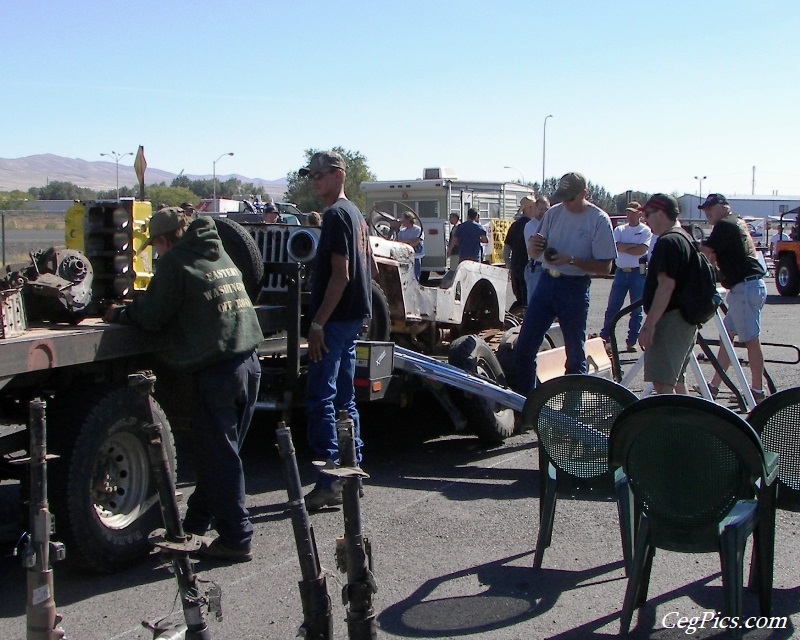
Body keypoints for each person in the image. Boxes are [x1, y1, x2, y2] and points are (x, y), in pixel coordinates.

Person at [105, 207, 263, 562]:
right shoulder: (217, 250)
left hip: (219, 370)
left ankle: (237, 539)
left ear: (163, 240)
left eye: (155, 246)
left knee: (220, 458)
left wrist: (119, 313)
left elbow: (152, 315)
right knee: (221, 454)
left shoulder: (175, 263)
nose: (157, 252)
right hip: (249, 364)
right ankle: (195, 524)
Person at [299, 151, 372, 511]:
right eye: (310, 174)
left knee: (321, 399)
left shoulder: (336, 216)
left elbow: (342, 274)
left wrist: (317, 324)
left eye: (320, 174)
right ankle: (351, 474)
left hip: (336, 321)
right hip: (352, 318)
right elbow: (368, 264)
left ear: (338, 175)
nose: (314, 180)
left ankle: (330, 480)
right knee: (345, 400)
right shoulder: (356, 214)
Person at [514, 173, 616, 394]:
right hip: (546, 281)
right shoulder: (553, 213)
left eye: (570, 198)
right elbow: (535, 249)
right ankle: (526, 405)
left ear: (583, 194)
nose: (566, 203)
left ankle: (572, 411)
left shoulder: (598, 219)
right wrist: (534, 247)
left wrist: (571, 260)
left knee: (574, 353)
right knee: (524, 347)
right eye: (562, 197)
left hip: (574, 287)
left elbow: (606, 267)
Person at [698, 193, 768, 402]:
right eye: (705, 209)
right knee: (727, 339)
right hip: (747, 286)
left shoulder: (725, 225)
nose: (707, 213)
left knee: (751, 341)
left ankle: (756, 391)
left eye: (710, 208)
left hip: (745, 287)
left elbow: (707, 249)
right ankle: (714, 386)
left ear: (723, 207)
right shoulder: (736, 222)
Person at [637, 194, 698, 395]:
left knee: (663, 384)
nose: (645, 219)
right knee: (677, 381)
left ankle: (671, 426)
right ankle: (687, 425)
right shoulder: (683, 237)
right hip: (684, 318)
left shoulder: (668, 242)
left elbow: (666, 285)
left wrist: (649, 324)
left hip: (671, 319)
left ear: (661, 213)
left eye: (647, 214)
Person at [599, 201, 653, 352]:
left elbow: (642, 250)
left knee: (636, 309)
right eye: (628, 212)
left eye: (633, 213)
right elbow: (616, 247)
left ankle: (632, 341)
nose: (629, 216)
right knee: (613, 307)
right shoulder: (620, 229)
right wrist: (631, 246)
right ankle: (606, 337)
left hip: (637, 273)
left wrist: (625, 246)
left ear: (639, 214)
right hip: (621, 272)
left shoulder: (645, 231)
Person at [503, 196, 537, 309]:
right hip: (528, 267)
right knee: (529, 300)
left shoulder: (514, 225)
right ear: (531, 207)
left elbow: (506, 249)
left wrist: (509, 264)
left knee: (520, 300)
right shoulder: (533, 226)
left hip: (515, 267)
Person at [523, 195, 550, 303]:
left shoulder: (550, 224)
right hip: (537, 267)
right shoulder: (530, 226)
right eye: (541, 209)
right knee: (535, 303)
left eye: (546, 209)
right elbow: (538, 245)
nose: (543, 212)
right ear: (535, 208)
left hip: (552, 268)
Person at [396, 211, 425, 280]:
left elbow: (415, 243)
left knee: (415, 276)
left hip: (415, 256)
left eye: (403, 219)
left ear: (408, 220)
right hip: (404, 257)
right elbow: (397, 242)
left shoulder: (418, 230)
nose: (402, 221)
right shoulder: (402, 231)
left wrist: (405, 242)